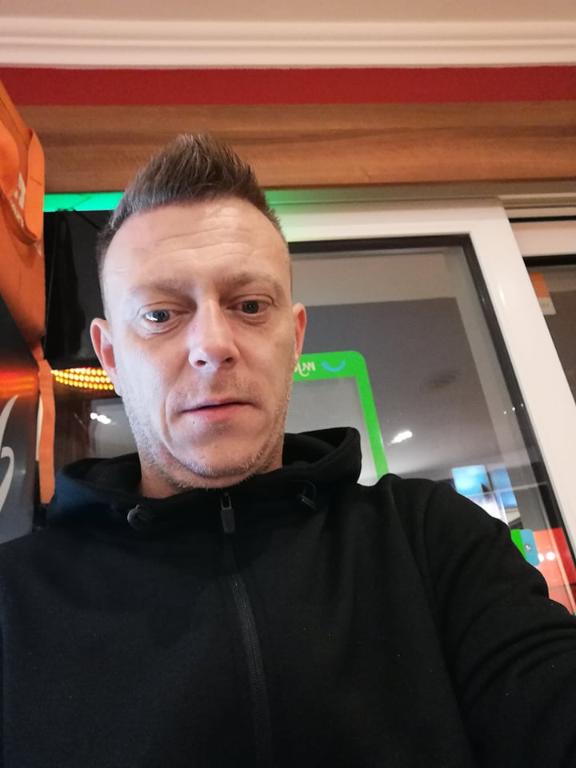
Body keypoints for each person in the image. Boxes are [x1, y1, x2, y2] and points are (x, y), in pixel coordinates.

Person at [1, 134, 576, 768]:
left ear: (295, 338)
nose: (212, 345)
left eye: (250, 306)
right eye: (161, 315)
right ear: (110, 356)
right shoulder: (14, 603)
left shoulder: (432, 541)